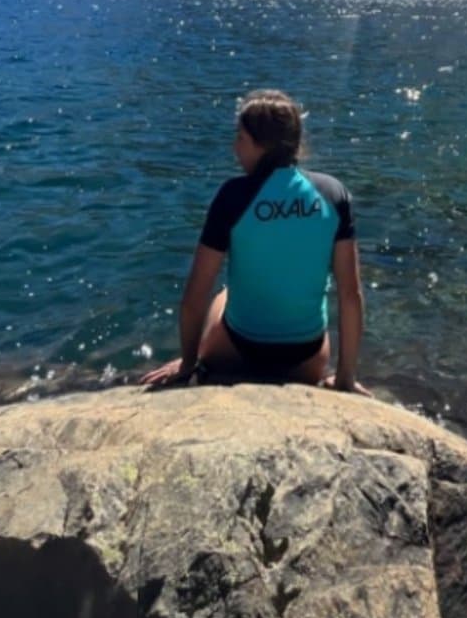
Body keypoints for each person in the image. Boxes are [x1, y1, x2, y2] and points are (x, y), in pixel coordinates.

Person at [142, 89, 368, 394]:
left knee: (224, 292)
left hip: (237, 351)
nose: (235, 147)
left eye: (240, 138)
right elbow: (350, 294)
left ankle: (204, 364)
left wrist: (186, 365)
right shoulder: (333, 193)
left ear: (262, 145)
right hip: (307, 359)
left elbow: (195, 295)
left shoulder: (233, 196)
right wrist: (345, 378)